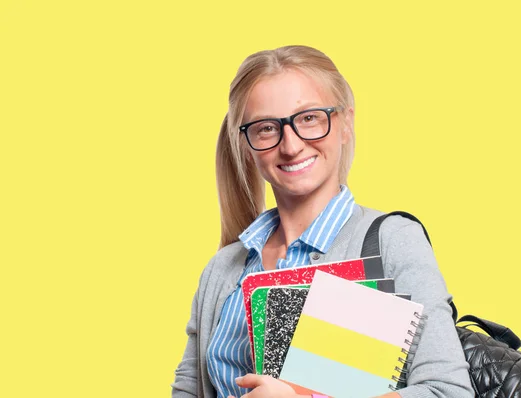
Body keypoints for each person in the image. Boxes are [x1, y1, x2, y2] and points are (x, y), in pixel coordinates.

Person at [172, 45, 474, 398]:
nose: (291, 145)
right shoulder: (222, 269)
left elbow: (448, 392)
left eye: (309, 118)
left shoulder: (392, 242)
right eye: (267, 128)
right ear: (246, 144)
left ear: (345, 123)